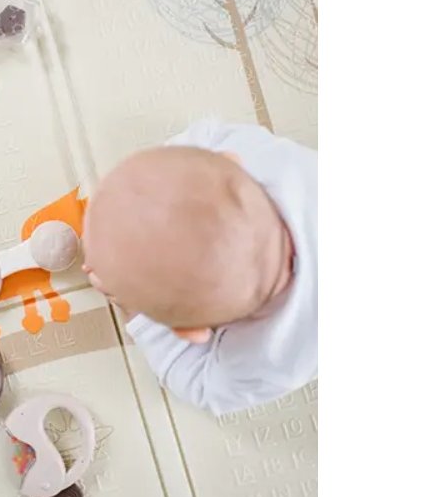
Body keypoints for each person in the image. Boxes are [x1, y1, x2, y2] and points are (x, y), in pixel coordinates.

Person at [82, 118, 317, 416]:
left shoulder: (275, 356)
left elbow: (199, 386)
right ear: (230, 160)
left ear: (190, 333)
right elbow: (203, 135)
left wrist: (137, 314)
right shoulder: (261, 156)